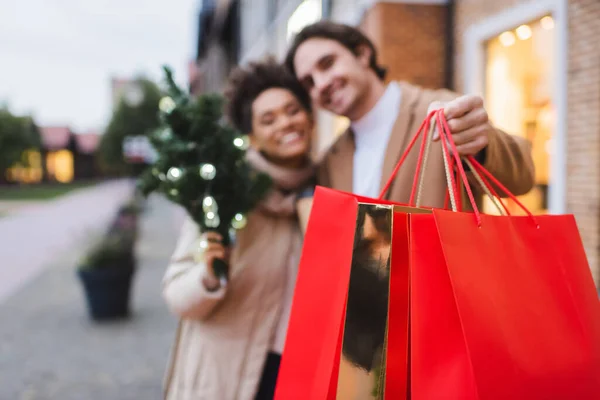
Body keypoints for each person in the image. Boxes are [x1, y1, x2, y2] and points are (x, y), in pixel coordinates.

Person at [161, 57, 315, 400]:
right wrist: (208, 275)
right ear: (253, 137)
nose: (286, 123)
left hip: (302, 374)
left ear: (310, 116)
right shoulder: (224, 194)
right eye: (268, 119)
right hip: (226, 379)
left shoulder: (328, 192)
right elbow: (176, 294)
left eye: (293, 110)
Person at [285, 21, 535, 206]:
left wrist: (481, 145)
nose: (321, 84)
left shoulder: (441, 110)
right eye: (308, 82)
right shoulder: (331, 159)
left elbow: (523, 174)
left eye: (328, 63)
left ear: (362, 54)